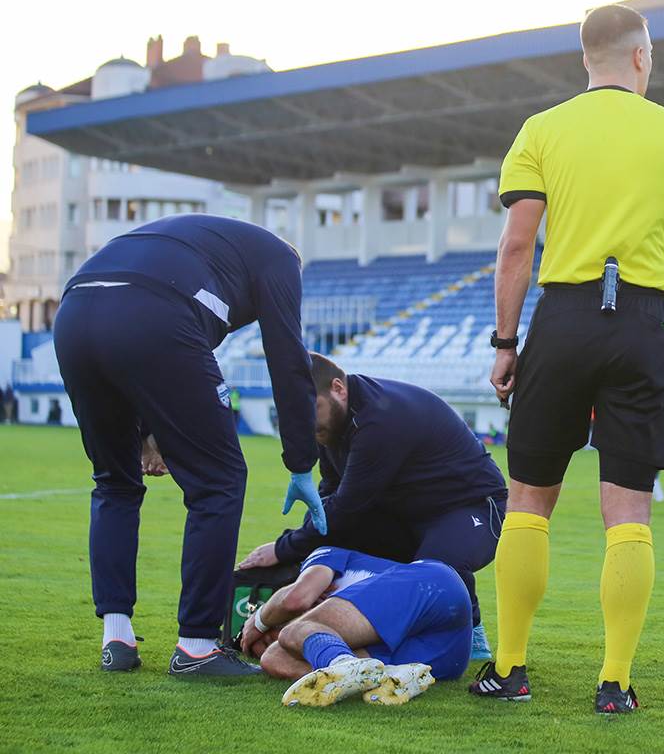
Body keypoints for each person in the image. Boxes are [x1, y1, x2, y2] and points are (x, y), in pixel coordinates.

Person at [469, 3, 664, 714]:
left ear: (584, 60)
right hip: (644, 320)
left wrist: (506, 345)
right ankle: (615, 682)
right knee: (628, 513)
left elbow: (515, 249)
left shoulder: (541, 129)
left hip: (563, 317)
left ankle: (510, 670)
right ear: (640, 56)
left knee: (529, 502)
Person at [53, 213, 325, 677]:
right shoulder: (281, 260)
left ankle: (115, 638)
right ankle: (198, 646)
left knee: (115, 483)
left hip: (75, 312)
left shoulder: (206, 243)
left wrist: (147, 433)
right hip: (154, 312)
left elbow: (154, 360)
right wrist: (301, 462)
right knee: (219, 482)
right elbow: (288, 359)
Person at [237, 353, 507, 661]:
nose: (304, 422)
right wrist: (306, 550)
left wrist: (284, 547)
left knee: (434, 569)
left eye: (310, 408)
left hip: (471, 506)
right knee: (340, 541)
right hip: (410, 516)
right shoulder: (331, 425)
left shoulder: (379, 419)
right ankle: (322, 618)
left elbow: (346, 507)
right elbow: (330, 495)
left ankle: (469, 631)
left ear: (338, 388)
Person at [240, 546, 469, 707]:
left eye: (267, 636)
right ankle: (384, 675)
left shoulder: (325, 554)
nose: (273, 638)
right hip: (442, 655)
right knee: (274, 658)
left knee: (295, 632)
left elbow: (295, 599)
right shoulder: (320, 637)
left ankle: (344, 663)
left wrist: (258, 621)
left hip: (433, 586)